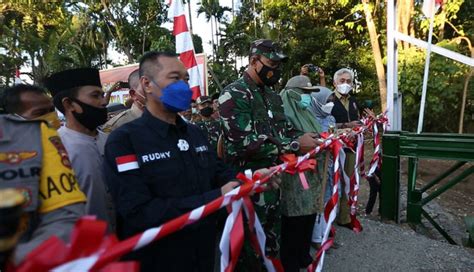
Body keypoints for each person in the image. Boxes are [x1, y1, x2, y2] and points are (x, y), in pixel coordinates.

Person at [103, 51, 269, 272]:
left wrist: (251, 179)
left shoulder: (194, 133)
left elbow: (219, 172)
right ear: (147, 84)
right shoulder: (124, 141)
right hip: (158, 260)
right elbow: (138, 212)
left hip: (203, 254)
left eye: (186, 79)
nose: (183, 86)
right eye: (174, 78)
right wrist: (215, 197)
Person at [219, 39, 319, 269]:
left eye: (279, 65)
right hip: (249, 188)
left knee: (272, 246)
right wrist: (294, 145)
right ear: (254, 61)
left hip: (275, 183)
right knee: (250, 250)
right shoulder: (233, 94)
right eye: (272, 64)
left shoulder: (272, 97)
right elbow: (242, 144)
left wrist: (308, 137)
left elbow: (283, 131)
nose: (276, 70)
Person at [0, 84, 86, 265]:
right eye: (41, 112)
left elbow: (65, 216)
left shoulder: (42, 138)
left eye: (51, 110)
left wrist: (13, 259)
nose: (51, 118)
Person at [45, 68, 112, 226]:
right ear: (69, 104)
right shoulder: (55, 149)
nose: (104, 102)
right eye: (95, 96)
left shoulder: (112, 140)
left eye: (102, 95)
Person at [279, 75, 323, 271]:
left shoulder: (307, 113)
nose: (307, 97)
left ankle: (303, 254)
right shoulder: (283, 114)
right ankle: (290, 260)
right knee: (295, 218)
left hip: (312, 172)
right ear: (292, 94)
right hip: (293, 175)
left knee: (309, 214)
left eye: (309, 93)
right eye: (304, 93)